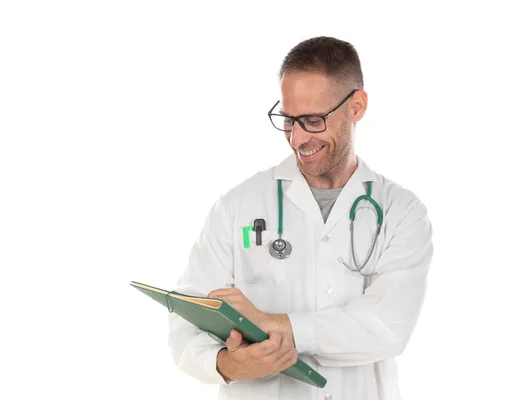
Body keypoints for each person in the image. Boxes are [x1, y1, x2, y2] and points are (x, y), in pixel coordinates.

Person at [168, 36, 434, 400]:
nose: (297, 139)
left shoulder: (402, 212)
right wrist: (227, 365)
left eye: (313, 120)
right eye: (289, 121)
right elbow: (188, 317)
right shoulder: (238, 206)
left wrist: (271, 324)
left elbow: (388, 326)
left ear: (357, 107)